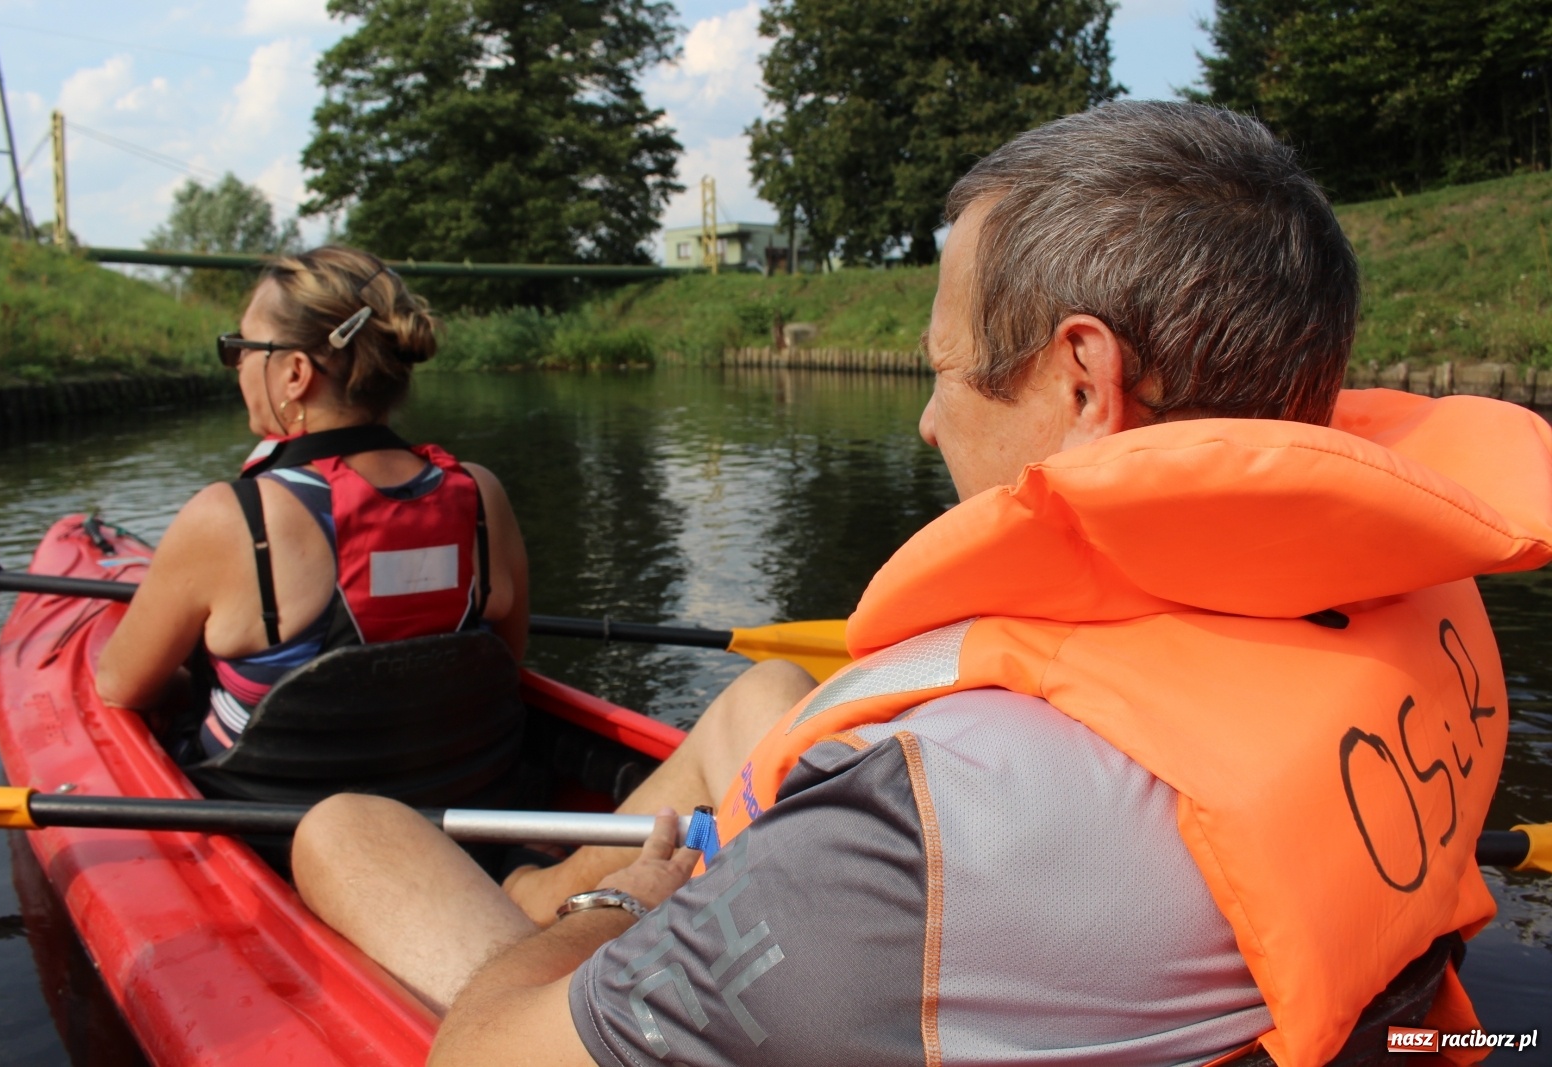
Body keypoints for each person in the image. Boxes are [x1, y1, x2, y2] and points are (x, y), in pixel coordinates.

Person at [291, 102, 1552, 1067]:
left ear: (1081, 382)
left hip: (871, 927)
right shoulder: (1422, 609)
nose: (927, 426)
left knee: (342, 829)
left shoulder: (929, 826)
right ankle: (544, 886)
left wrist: (627, 897)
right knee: (764, 698)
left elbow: (486, 1056)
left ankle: (546, 891)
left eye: (942, 371)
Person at [96, 246, 530, 762]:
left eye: (240, 348)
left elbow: (120, 688)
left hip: (270, 818)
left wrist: (198, 680)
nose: (236, 365)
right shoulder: (482, 497)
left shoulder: (230, 518)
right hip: (449, 786)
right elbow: (508, 661)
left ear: (295, 373)